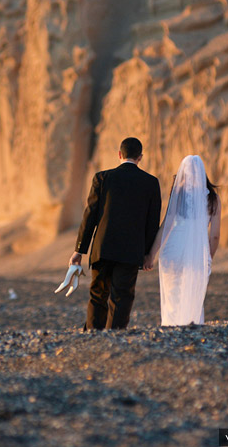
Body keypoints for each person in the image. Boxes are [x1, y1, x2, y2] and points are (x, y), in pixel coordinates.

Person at [69, 137, 162, 330]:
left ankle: (93, 334)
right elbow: (152, 223)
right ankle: (116, 336)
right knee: (122, 296)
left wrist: (79, 250)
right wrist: (147, 254)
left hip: (102, 249)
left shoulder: (102, 178)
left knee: (98, 295)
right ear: (140, 157)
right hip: (131, 252)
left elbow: (90, 216)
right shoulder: (151, 183)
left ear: (119, 155)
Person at [147, 155, 221, 325]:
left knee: (173, 293)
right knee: (193, 293)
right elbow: (215, 235)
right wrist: (207, 257)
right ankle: (191, 325)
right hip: (196, 253)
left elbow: (166, 226)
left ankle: (171, 326)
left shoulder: (178, 194)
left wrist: (151, 255)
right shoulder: (213, 199)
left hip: (173, 250)